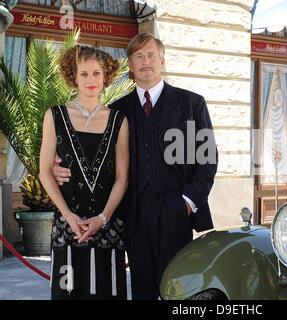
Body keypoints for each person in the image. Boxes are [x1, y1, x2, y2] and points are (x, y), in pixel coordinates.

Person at [53, 33, 218, 300]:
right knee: (142, 290)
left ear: (162, 60)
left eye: (151, 55)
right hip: (133, 214)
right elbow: (94, 157)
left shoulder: (190, 104)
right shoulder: (117, 111)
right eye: (138, 57)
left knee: (179, 290)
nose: (145, 62)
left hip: (175, 210)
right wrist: (57, 166)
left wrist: (187, 201)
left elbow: (207, 159)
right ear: (130, 65)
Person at [39, 45, 129, 300]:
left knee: (107, 292)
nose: (91, 80)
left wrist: (103, 217)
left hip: (107, 227)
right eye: (84, 74)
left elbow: (122, 177)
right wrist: (69, 216)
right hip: (68, 224)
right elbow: (45, 171)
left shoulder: (119, 120)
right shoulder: (54, 115)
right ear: (73, 77)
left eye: (97, 73)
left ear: (106, 77)